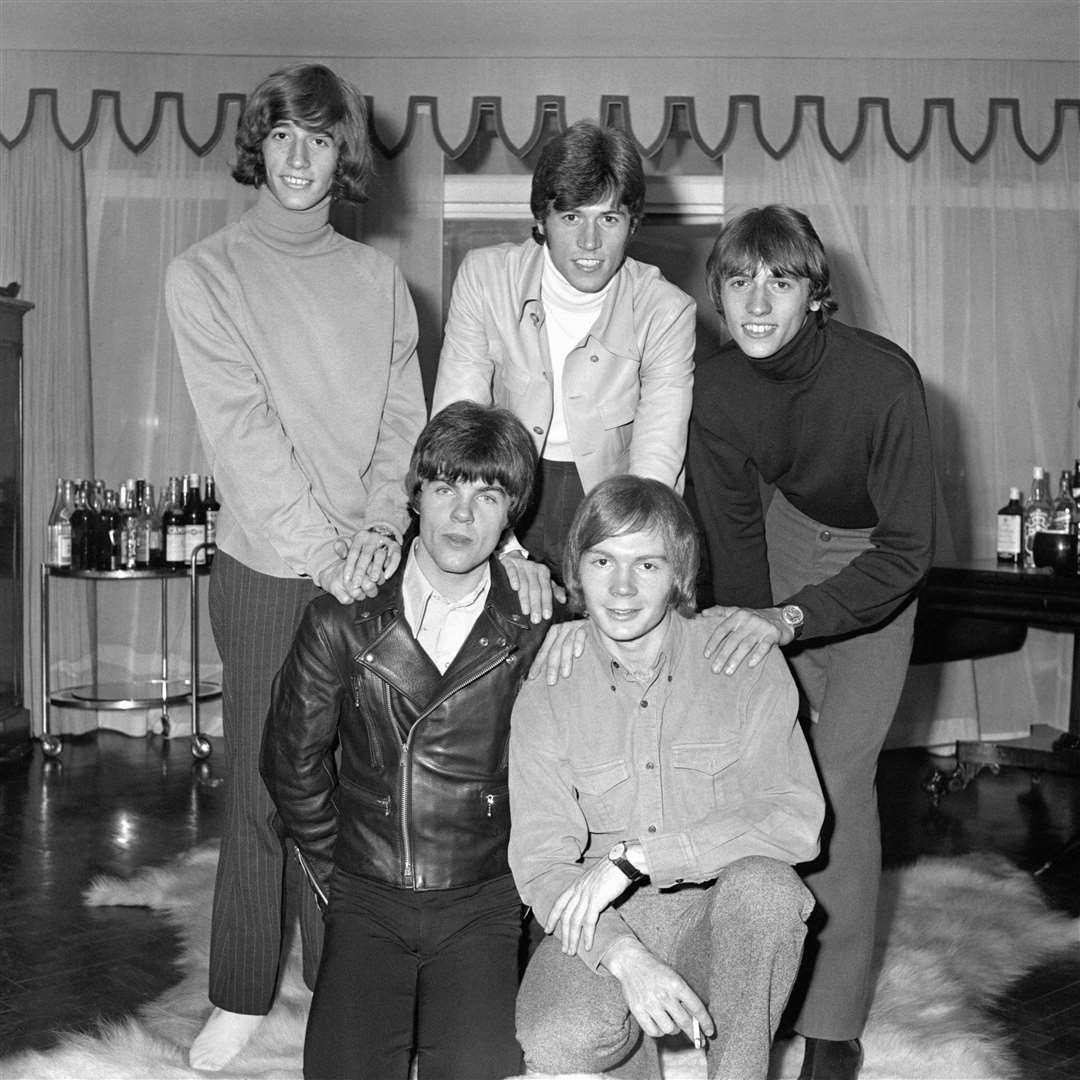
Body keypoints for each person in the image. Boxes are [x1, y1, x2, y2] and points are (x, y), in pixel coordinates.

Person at [164, 63, 427, 1070]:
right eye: (283, 136)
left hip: (367, 557)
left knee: (356, 788)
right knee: (266, 789)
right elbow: (244, 433)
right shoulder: (205, 274)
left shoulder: (379, 282)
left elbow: (405, 420)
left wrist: (377, 532)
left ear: (343, 153)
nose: (301, 157)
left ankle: (337, 987)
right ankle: (239, 993)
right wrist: (329, 554)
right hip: (270, 567)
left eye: (321, 138)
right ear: (258, 147)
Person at [687, 205, 935, 1080]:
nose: (758, 302)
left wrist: (792, 622)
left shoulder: (884, 382)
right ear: (718, 291)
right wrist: (748, 640)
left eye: (780, 281)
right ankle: (759, 983)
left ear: (815, 295)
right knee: (765, 757)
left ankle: (834, 1026)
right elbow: (732, 532)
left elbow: (909, 551)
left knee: (840, 779)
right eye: (740, 280)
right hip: (787, 536)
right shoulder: (715, 389)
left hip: (877, 558)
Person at [261, 401, 559, 1080]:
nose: (463, 515)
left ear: (512, 514)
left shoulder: (538, 623)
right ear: (415, 494)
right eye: (446, 488)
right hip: (368, 890)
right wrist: (343, 868)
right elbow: (290, 762)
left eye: (488, 495)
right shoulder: (343, 616)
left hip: (482, 896)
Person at [508, 474, 824, 1079]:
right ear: (577, 569)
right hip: (611, 918)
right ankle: (640, 1044)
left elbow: (795, 819)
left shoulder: (742, 660)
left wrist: (640, 858)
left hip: (718, 910)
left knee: (769, 892)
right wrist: (624, 956)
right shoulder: (550, 686)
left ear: (678, 574)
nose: (622, 588)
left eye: (647, 565)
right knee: (558, 1038)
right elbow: (541, 860)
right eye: (603, 561)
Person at [432, 119, 696, 581]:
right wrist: (506, 551)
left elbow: (656, 460)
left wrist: (617, 562)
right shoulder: (484, 277)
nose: (589, 242)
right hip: (497, 486)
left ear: (633, 224)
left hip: (611, 497)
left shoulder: (667, 310)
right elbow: (459, 430)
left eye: (608, 218)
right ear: (541, 220)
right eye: (572, 217)